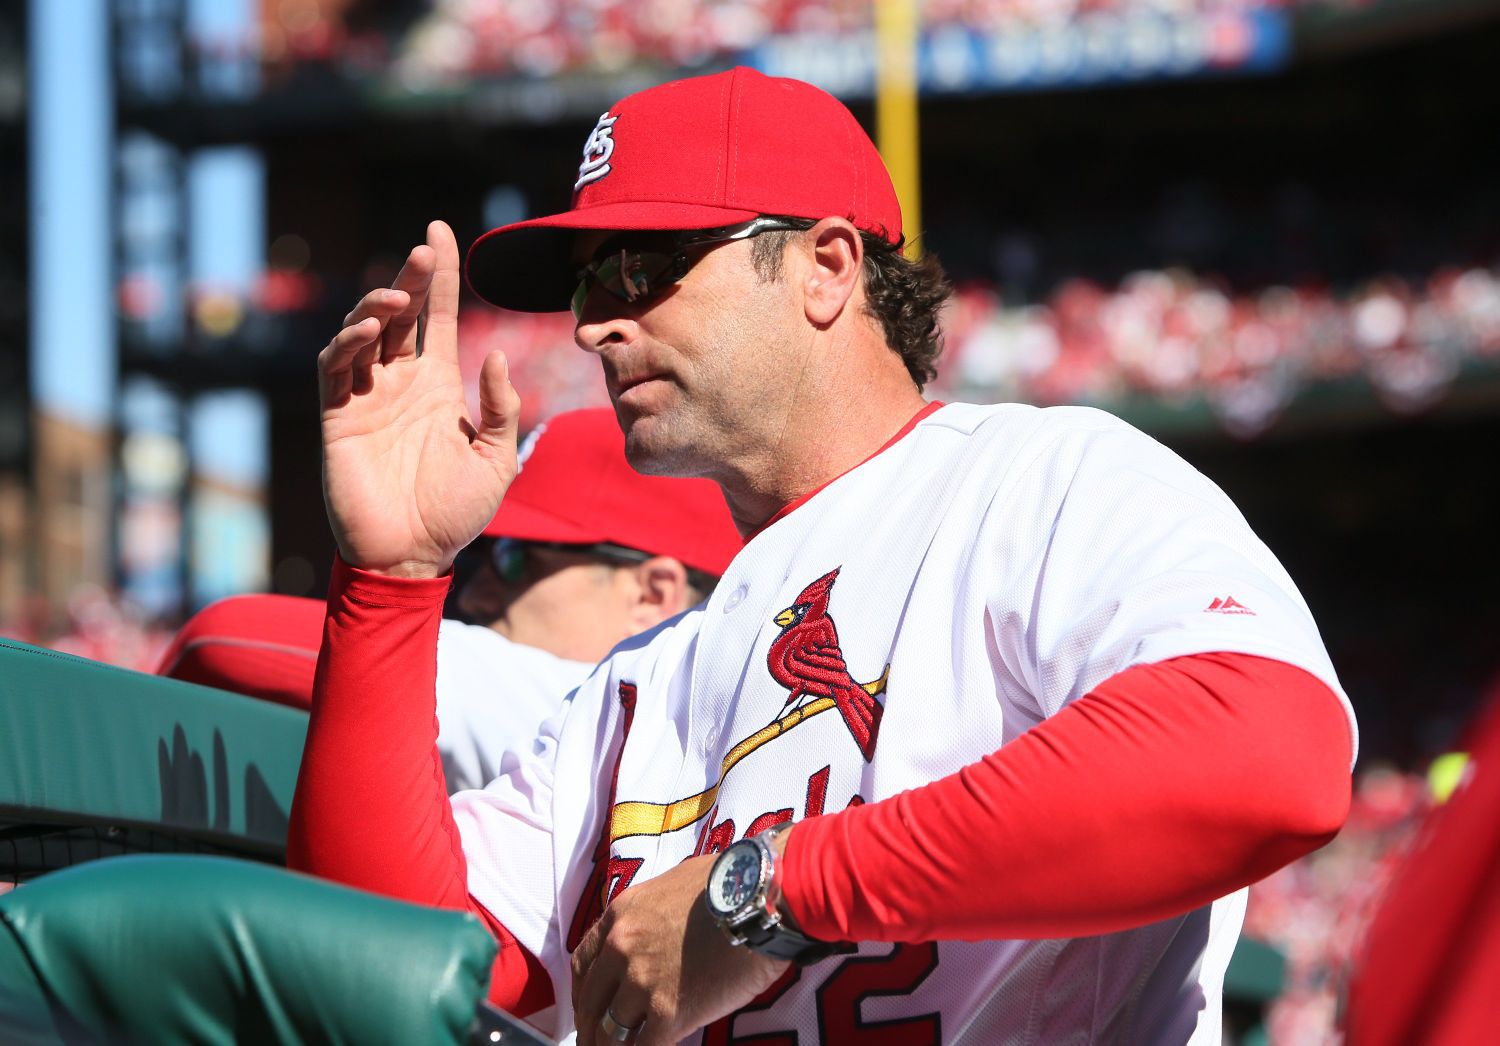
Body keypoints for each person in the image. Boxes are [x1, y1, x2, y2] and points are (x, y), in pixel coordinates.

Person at [289, 67, 1357, 1045]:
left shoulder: (1039, 478)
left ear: (826, 265)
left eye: (641, 265)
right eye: (585, 287)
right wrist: (390, 580)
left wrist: (769, 893)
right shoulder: (642, 681)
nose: (593, 327)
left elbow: (1270, 756)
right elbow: (373, 977)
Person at [159, 407, 740, 792]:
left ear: (652, 592)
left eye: (514, 560)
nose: (479, 588)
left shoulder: (603, 704)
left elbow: (224, 635)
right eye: (477, 559)